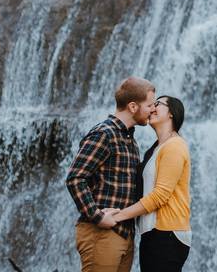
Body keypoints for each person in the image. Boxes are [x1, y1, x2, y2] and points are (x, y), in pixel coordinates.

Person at [66, 76, 156, 272]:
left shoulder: (130, 140)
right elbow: (75, 178)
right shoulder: (104, 134)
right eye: (149, 105)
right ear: (133, 107)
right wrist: (97, 216)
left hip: (124, 233)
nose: (153, 109)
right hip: (101, 233)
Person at [100, 95, 192, 272]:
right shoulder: (158, 147)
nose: (152, 108)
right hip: (155, 234)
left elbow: (159, 196)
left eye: (157, 103)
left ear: (172, 113)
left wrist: (118, 216)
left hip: (168, 234)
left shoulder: (175, 146)